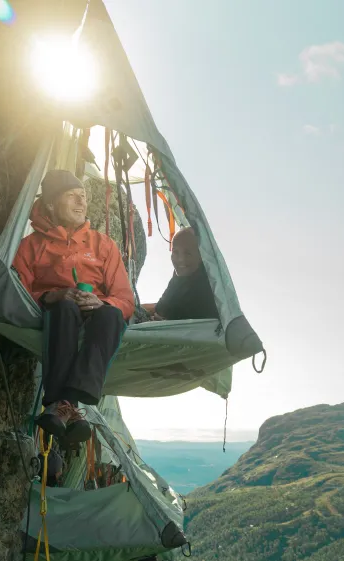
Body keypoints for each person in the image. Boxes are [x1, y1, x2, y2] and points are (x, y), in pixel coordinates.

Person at [13, 170, 135, 444]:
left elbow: (125, 301)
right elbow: (18, 293)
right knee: (65, 309)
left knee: (112, 315)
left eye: (84, 197)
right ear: (52, 204)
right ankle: (70, 406)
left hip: (96, 317)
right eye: (73, 196)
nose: (82, 203)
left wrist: (100, 301)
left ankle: (63, 403)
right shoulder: (30, 246)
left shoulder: (103, 244)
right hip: (55, 314)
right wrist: (53, 296)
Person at [142, 227, 218, 322]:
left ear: (200, 256)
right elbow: (161, 307)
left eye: (188, 253)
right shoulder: (181, 277)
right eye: (175, 252)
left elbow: (169, 314)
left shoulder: (205, 286)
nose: (180, 259)